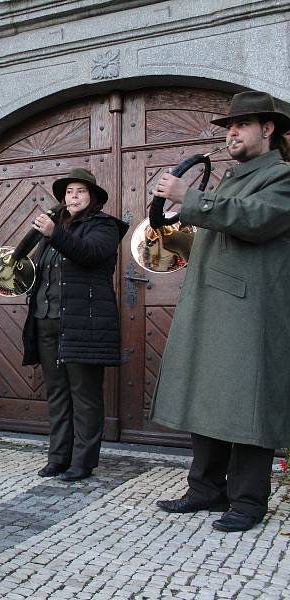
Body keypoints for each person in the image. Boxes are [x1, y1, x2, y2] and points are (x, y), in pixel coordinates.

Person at [150, 90, 290, 532]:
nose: (231, 132)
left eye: (241, 124)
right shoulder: (232, 178)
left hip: (250, 309)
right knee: (208, 395)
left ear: (267, 129)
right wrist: (179, 216)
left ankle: (249, 500)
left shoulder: (282, 177)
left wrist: (191, 198)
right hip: (213, 302)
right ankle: (206, 488)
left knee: (249, 403)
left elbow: (254, 219)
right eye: (229, 126)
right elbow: (219, 225)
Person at [22, 169, 128, 482]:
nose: (73, 197)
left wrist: (55, 233)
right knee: (57, 393)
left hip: (84, 323)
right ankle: (58, 457)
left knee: (85, 395)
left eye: (80, 191)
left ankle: (82, 462)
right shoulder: (54, 231)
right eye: (69, 192)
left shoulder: (104, 226)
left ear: (93, 197)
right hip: (47, 320)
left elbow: (90, 254)